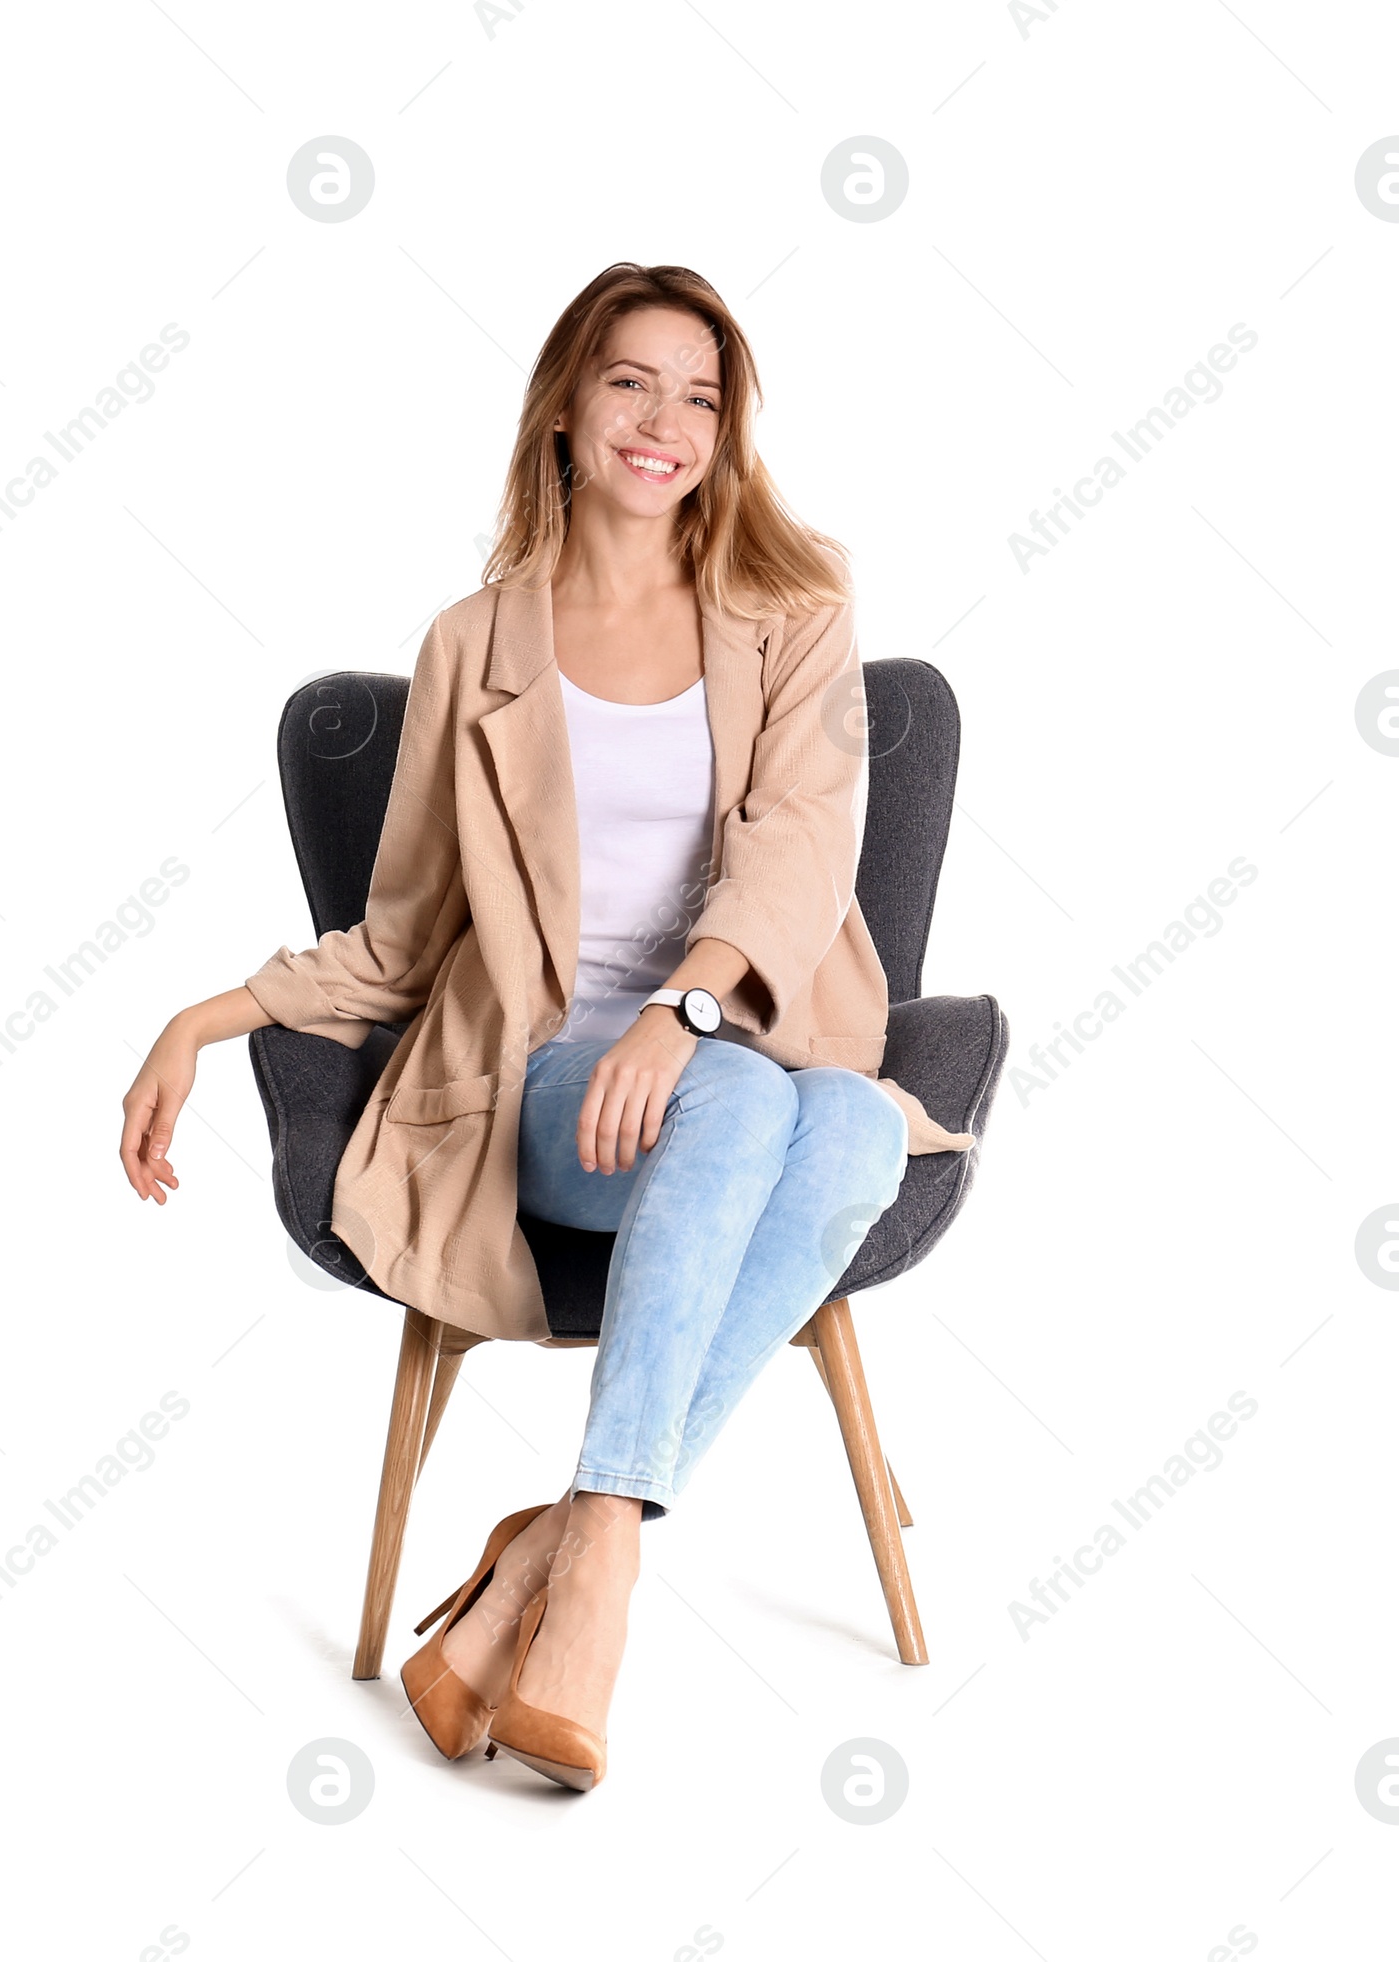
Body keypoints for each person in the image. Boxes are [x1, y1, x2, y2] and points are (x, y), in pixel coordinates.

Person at [120, 263, 972, 1794]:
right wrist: (209, 1011)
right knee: (745, 1110)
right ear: (569, 405)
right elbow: (402, 934)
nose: (666, 422)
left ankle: (569, 1552)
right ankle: (587, 1586)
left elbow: (800, 846)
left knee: (834, 1117)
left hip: (742, 1054)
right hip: (540, 1087)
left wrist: (683, 1011)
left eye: (701, 394)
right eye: (632, 382)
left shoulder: (798, 604)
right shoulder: (473, 643)